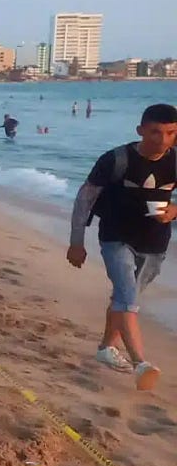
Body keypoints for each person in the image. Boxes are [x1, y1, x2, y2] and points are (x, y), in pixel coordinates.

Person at [68, 103, 176, 391]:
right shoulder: (116, 159)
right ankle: (141, 364)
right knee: (128, 298)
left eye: (171, 133)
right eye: (155, 132)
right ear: (140, 130)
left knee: (124, 297)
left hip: (155, 242)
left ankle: (107, 347)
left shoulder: (175, 160)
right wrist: (76, 242)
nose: (163, 140)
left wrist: (173, 211)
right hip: (116, 237)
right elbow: (85, 199)